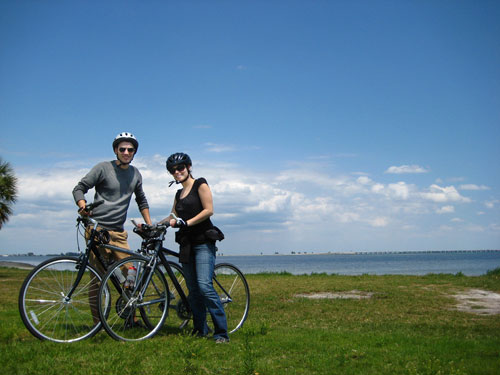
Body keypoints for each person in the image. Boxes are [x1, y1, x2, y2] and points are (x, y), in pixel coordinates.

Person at [72, 132, 152, 322]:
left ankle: (130, 317)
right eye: (122, 149)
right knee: (98, 278)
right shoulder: (103, 168)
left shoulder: (135, 174)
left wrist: (150, 225)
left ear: (134, 152)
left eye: (130, 149)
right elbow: (79, 188)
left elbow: (141, 200)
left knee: (132, 271)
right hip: (98, 230)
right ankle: (97, 323)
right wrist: (83, 206)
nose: (126, 152)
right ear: (116, 150)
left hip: (119, 233)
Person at [161, 152, 229, 343]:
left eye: (180, 168)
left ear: (189, 167)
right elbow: (173, 217)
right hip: (186, 245)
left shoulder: (200, 183)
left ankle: (221, 333)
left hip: (202, 243)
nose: (177, 172)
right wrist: (154, 226)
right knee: (193, 289)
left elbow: (209, 210)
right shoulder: (178, 193)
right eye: (173, 170)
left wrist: (187, 223)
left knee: (204, 286)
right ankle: (200, 329)